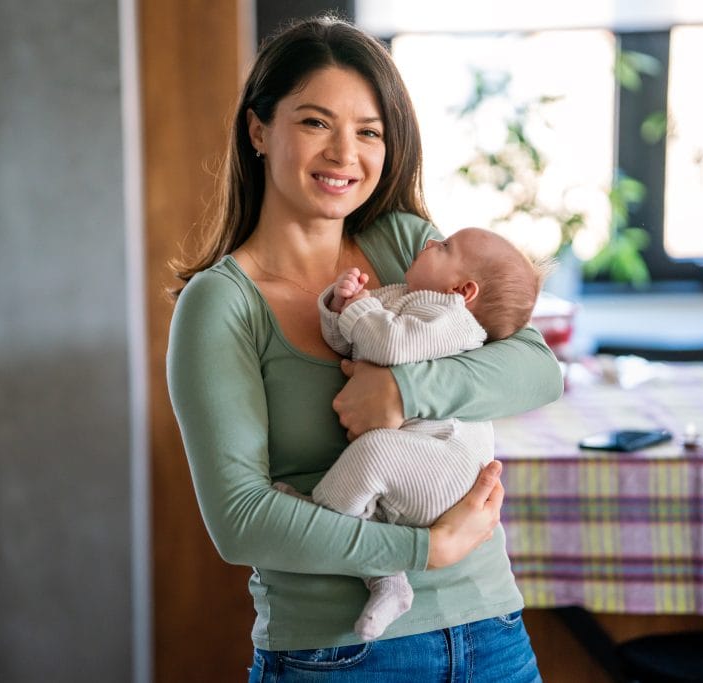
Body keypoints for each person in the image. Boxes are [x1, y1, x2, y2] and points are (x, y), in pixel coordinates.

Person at [166, 15, 563, 682]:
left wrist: (401, 392)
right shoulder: (220, 305)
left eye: (369, 131)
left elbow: (535, 369)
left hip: (490, 630)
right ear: (259, 129)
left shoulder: (406, 246)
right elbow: (241, 521)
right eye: (316, 122)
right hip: (339, 654)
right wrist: (422, 549)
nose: (345, 153)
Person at [274, 227, 549, 642]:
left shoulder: (454, 320)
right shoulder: (404, 294)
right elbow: (348, 341)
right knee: (376, 489)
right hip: (419, 461)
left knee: (375, 452)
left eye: (443, 247)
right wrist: (339, 304)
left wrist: (361, 312)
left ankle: (320, 515)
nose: (428, 243)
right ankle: (387, 581)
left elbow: (389, 345)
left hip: (448, 467)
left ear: (464, 289)